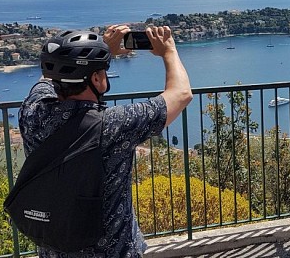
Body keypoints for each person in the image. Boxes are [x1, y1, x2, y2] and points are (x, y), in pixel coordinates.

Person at [18, 24, 192, 257]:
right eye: (103, 73)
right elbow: (181, 94)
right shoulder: (114, 124)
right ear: (98, 79)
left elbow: (48, 79)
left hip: (55, 248)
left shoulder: (32, 112)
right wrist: (169, 50)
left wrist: (96, 54)